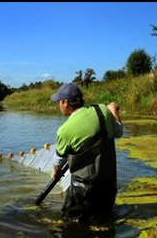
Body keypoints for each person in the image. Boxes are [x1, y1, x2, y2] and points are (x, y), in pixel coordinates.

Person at [50, 83, 124, 223]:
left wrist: (56, 172)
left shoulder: (64, 131)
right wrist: (114, 111)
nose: (58, 104)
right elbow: (119, 132)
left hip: (83, 193)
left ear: (65, 103)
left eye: (59, 101)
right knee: (105, 221)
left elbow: (59, 162)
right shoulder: (102, 110)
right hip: (108, 186)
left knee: (71, 225)